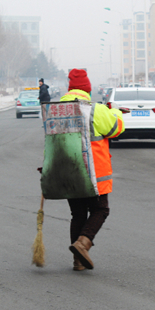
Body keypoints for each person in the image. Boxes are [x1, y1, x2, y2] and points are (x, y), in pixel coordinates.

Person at [59, 68, 125, 271]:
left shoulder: (57, 110)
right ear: (87, 89)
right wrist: (114, 112)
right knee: (100, 209)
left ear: (70, 89)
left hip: (68, 171)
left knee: (78, 213)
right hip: (94, 173)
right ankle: (83, 243)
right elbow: (116, 128)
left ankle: (78, 261)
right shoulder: (95, 109)